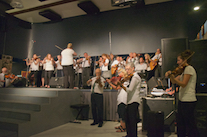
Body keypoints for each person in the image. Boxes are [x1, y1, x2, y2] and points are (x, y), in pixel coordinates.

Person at [165, 50, 199, 137]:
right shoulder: (184, 71)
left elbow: (183, 84)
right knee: (181, 123)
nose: (177, 62)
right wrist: (170, 75)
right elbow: (174, 81)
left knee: (190, 124)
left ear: (184, 60)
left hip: (188, 100)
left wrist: (173, 76)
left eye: (179, 60)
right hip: (183, 99)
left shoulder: (189, 69)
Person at [120, 62, 141, 137]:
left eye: (128, 69)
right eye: (126, 69)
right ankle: (129, 135)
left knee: (132, 121)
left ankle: (133, 135)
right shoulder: (132, 77)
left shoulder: (135, 77)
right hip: (130, 101)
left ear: (133, 68)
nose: (127, 71)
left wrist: (122, 86)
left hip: (134, 101)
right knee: (128, 119)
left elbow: (130, 90)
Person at [106, 68, 128, 132]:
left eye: (119, 72)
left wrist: (110, 83)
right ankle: (122, 125)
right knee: (119, 112)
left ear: (123, 73)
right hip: (120, 98)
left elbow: (117, 87)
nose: (118, 74)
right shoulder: (121, 80)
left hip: (123, 99)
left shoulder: (125, 80)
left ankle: (124, 127)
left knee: (122, 113)